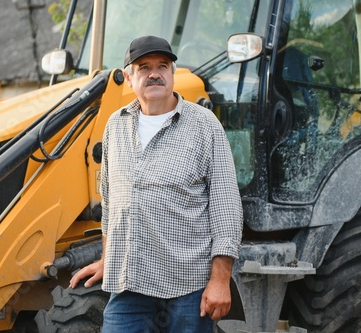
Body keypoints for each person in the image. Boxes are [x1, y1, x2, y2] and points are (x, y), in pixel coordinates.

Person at [69, 35, 243, 332]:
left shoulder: (204, 125)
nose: (154, 73)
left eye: (163, 66)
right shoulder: (115, 125)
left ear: (172, 73)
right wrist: (109, 261)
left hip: (188, 286)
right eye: (143, 67)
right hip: (129, 282)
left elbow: (226, 208)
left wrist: (220, 280)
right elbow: (111, 206)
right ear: (128, 77)